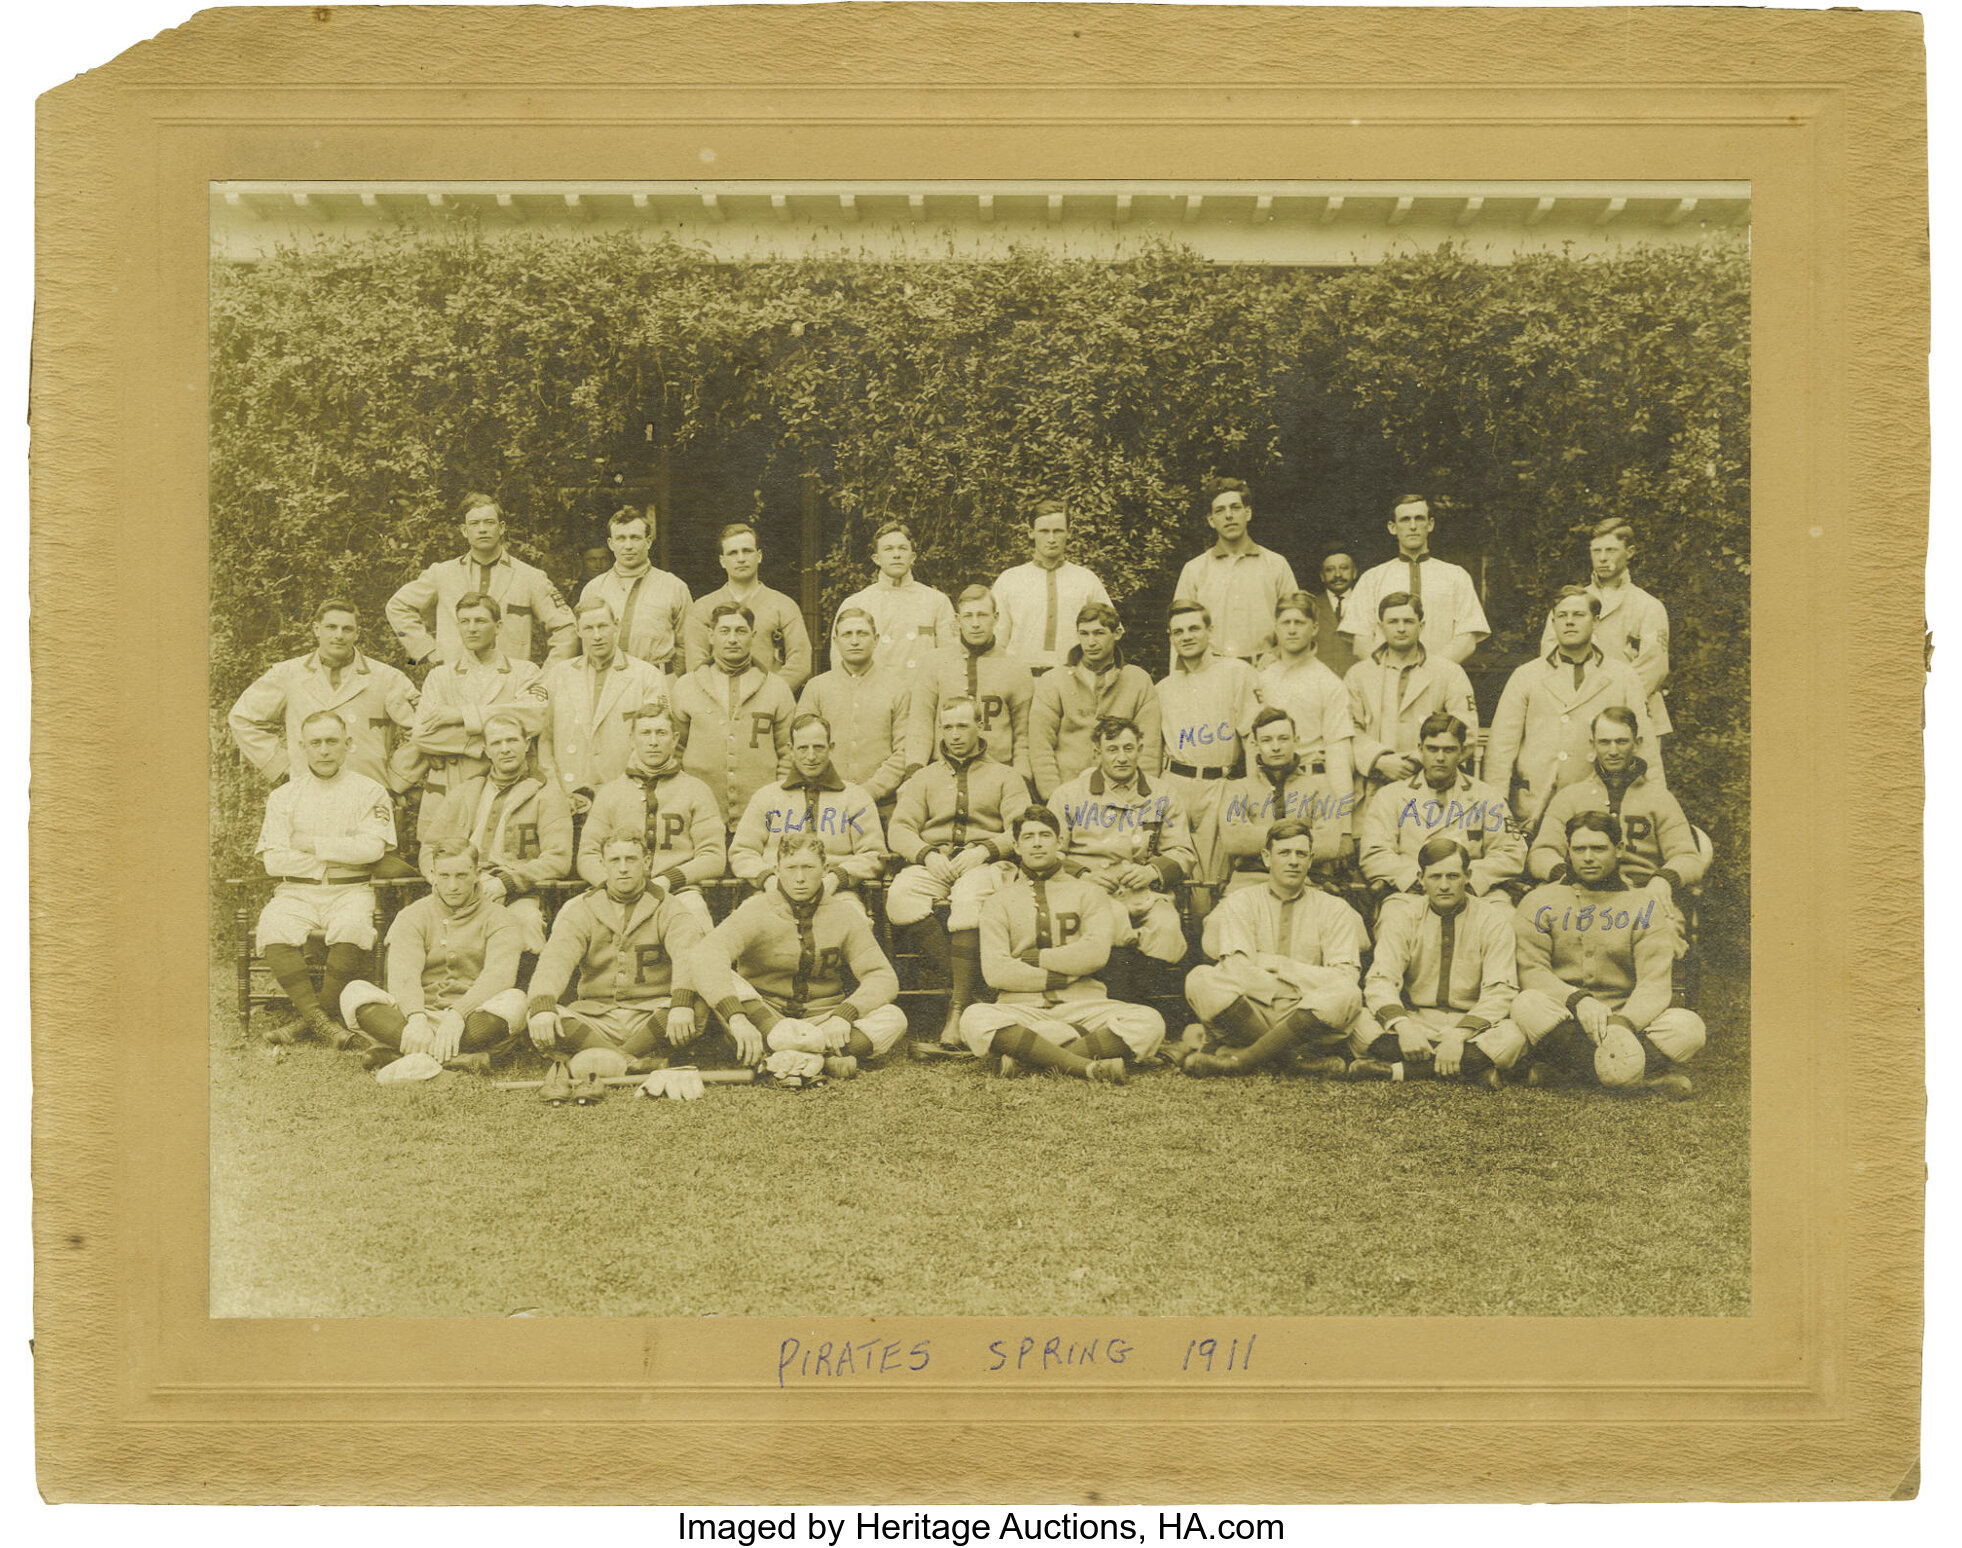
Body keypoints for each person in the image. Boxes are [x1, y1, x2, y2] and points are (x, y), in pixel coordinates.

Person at [958, 809, 1165, 1082]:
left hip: (1084, 1005)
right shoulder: (998, 902)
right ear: (1017, 847)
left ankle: (1031, 1059)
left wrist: (1034, 958)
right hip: (1022, 1009)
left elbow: (1094, 955)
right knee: (974, 1018)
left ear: (1059, 842)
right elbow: (997, 972)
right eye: (1028, 837)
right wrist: (1067, 971)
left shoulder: (1089, 893)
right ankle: (1084, 1067)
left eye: (1045, 835)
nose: (1037, 843)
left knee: (1149, 1022)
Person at [1510, 811, 1705, 1098]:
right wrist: (1577, 1000)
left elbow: (1654, 983)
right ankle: (1637, 1081)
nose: (1588, 857)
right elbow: (1531, 971)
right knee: (1527, 1004)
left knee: (1689, 1028)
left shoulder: (1643, 904)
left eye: (1599, 848)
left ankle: (1572, 1074)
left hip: (1628, 1021)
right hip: (1566, 1019)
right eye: (1579, 849)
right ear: (1568, 852)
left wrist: (1621, 1024)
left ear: (1619, 850)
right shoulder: (1539, 901)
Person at [691, 833, 910, 1078]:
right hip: (765, 1017)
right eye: (791, 868)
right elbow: (707, 954)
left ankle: (784, 1058)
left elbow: (881, 976)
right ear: (776, 870)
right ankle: (822, 1059)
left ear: (825, 869)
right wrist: (738, 1019)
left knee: (894, 1018)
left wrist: (845, 1014)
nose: (799, 878)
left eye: (808, 867)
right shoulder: (756, 910)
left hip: (824, 1020)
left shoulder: (844, 914)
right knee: (724, 978)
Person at [885, 695, 1033, 1048]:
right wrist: (926, 855)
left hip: (986, 864)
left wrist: (985, 850)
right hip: (937, 862)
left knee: (968, 899)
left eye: (963, 725)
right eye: (947, 726)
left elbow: (1022, 826)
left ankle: (956, 1008)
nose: (954, 735)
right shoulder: (924, 778)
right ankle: (968, 988)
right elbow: (899, 829)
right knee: (899, 896)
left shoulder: (1005, 776)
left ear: (980, 727)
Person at [524, 832, 711, 1102]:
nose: (623, 867)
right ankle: (634, 1062)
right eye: (615, 860)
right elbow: (555, 960)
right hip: (597, 1017)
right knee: (539, 1012)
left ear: (647, 862)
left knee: (695, 1005)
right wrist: (542, 1006)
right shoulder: (583, 908)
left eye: (631, 859)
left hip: (652, 1014)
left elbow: (688, 957)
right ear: (604, 864)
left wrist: (681, 1003)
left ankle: (608, 1059)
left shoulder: (670, 906)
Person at [1177, 819, 1370, 1079]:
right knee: (1200, 978)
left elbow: (1345, 976)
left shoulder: (1334, 908)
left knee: (1347, 993)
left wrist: (1280, 965)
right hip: (1251, 1008)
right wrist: (1297, 982)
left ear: (1311, 860)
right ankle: (1293, 1062)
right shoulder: (1241, 902)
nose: (1293, 861)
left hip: (1305, 1013)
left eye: (1301, 854)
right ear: (1267, 858)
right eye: (1284, 853)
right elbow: (1237, 970)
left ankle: (1242, 1059)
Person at [252, 711, 397, 1046]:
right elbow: (273, 861)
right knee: (273, 926)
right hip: (295, 891)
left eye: (332, 741)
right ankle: (322, 1021)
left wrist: (311, 844)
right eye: (315, 743)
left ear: (349, 744)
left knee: (353, 927)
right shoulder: (283, 797)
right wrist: (333, 857)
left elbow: (372, 849)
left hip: (351, 890)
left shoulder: (370, 791)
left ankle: (311, 1022)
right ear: (303, 748)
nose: (324, 750)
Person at [337, 839, 529, 1073]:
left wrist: (459, 1014)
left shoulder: (501, 918)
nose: (452, 885)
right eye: (445, 875)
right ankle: (457, 1059)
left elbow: (499, 977)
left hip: (472, 1018)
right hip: (414, 1017)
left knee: (516, 1001)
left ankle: (399, 1053)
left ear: (477, 874)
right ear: (433, 874)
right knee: (354, 992)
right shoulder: (413, 915)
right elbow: (404, 975)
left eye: (461, 875)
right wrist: (416, 1018)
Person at [1348, 837, 1525, 1087]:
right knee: (1359, 1025)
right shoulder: (1404, 917)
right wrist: (1404, 1027)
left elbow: (1500, 991)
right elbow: (1381, 980)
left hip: (1471, 1025)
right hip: (1418, 1020)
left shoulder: (1493, 920)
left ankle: (1398, 1072)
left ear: (1468, 876)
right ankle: (1470, 1069)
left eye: (1452, 876)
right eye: (1435, 877)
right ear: (1421, 878)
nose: (1444, 885)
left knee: (1512, 1038)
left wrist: (1458, 1036)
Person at [1528, 706, 1706, 943]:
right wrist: (1567, 875)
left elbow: (1688, 857)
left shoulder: (1659, 798)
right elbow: (1542, 852)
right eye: (1604, 742)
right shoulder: (1570, 797)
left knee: (1663, 934)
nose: (1613, 751)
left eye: (1621, 742)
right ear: (1592, 745)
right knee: (1535, 925)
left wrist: (1663, 879)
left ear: (1637, 742)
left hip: (1642, 894)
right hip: (1578, 893)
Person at [1486, 585, 1659, 826]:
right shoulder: (1526, 675)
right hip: (1535, 804)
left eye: (1578, 615)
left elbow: (1646, 745)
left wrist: (1656, 803)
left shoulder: (1622, 676)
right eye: (1562, 616)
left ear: (1596, 622)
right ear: (1553, 622)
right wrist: (1496, 808)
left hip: (1600, 803)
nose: (1569, 622)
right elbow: (1501, 747)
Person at [228, 598, 423, 796]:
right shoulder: (288, 674)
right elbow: (243, 718)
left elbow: (424, 729)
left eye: (347, 629)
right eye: (331, 627)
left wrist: (396, 779)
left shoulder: (387, 677)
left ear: (357, 634)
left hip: (368, 791)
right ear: (316, 629)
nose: (339, 635)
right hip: (306, 790)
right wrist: (283, 766)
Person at [418, 710, 572, 956]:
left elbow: (558, 859)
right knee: (416, 924)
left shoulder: (547, 794)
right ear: (486, 750)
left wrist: (506, 883)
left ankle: (521, 993)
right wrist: (441, 880)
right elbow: (430, 847)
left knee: (526, 922)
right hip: (460, 887)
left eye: (512, 740)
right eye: (497, 743)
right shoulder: (465, 791)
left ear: (527, 744)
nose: (505, 749)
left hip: (517, 892)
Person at [1047, 716, 1195, 971]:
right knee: (1112, 920)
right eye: (1112, 749)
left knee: (1167, 926)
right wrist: (1083, 875)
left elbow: (1182, 851)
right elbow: (1051, 853)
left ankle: (1147, 997)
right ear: (1097, 753)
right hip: (1087, 892)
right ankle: (1120, 994)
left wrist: (1152, 871)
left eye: (1128, 748)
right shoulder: (1068, 795)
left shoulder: (1163, 794)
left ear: (1140, 749)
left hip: (1144, 892)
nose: (1122, 758)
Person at [408, 592, 552, 827]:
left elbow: (535, 717)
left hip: (511, 789)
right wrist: (488, 744)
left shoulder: (525, 672)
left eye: (480, 621)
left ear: (498, 626)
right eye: (465, 621)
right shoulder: (440, 677)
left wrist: (462, 715)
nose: (472, 628)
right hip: (452, 786)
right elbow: (422, 734)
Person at [386, 492, 577, 666]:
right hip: (454, 682)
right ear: (463, 530)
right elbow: (397, 606)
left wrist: (549, 677)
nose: (482, 529)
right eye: (475, 524)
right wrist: (427, 650)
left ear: (501, 527)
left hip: (508, 686)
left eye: (489, 522)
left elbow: (565, 627)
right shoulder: (442, 574)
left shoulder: (529, 577)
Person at [577, 705, 728, 918]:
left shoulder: (696, 790)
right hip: (613, 891)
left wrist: (668, 879)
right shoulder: (610, 793)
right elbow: (588, 854)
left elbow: (713, 857)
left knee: (695, 915)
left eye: (661, 733)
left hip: (678, 892)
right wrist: (610, 883)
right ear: (632, 739)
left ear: (675, 739)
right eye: (645, 733)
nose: (653, 742)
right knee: (573, 913)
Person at [1359, 712, 1524, 904]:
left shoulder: (1487, 796)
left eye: (1449, 750)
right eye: (1432, 749)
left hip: (1473, 894)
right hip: (1413, 893)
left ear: (1462, 752)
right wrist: (1419, 879)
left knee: (1502, 916)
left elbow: (1511, 851)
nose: (1440, 757)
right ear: (1420, 749)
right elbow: (1375, 853)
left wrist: (1468, 879)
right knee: (1393, 918)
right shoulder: (1390, 796)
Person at [1155, 599, 1261, 892]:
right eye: (1178, 632)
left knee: (1212, 879)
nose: (1186, 636)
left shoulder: (1237, 673)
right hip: (1174, 784)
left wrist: (1253, 793)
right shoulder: (1164, 687)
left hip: (1219, 785)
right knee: (1176, 870)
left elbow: (1252, 740)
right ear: (1171, 637)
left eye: (1193, 628)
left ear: (1209, 631)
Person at [1345, 592, 1479, 820]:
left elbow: (1466, 731)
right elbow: (1347, 730)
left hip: (1433, 787)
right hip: (1373, 786)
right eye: (1393, 621)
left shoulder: (1449, 673)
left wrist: (1418, 760)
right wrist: (1380, 760)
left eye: (1408, 621)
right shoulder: (1358, 674)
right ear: (1380, 626)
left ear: (1421, 625)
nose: (1400, 628)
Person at [728, 713, 887, 902]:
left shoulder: (855, 797)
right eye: (803, 748)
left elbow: (873, 854)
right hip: (774, 892)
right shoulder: (767, 797)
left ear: (831, 747)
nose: (811, 756)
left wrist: (837, 878)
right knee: (747, 923)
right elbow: (742, 852)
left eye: (818, 747)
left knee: (855, 923)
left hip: (837, 894)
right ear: (791, 750)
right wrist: (768, 879)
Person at [1538, 517, 1672, 738]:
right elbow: (1550, 656)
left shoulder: (1648, 606)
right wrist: (1579, 702)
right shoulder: (1569, 604)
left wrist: (1608, 704)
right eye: (1596, 550)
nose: (1602, 558)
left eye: (1610, 550)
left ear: (1629, 552)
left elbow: (1653, 667)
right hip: (1576, 713)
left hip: (1634, 715)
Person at [668, 601, 797, 827]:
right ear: (710, 635)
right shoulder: (686, 686)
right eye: (724, 631)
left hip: (761, 814)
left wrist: (780, 799)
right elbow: (674, 751)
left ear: (753, 635)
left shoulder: (776, 688)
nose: (733, 639)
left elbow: (788, 752)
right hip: (699, 815)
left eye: (741, 631)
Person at [537, 596, 668, 812]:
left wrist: (631, 789)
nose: (596, 636)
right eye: (588, 628)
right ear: (578, 631)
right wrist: (554, 787)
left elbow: (656, 741)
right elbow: (545, 739)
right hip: (567, 798)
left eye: (602, 626)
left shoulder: (647, 676)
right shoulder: (558, 675)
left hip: (626, 798)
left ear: (615, 626)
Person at [1027, 602, 1161, 801]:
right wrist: (1054, 796)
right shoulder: (1054, 680)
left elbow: (1148, 747)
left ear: (1117, 633)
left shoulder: (1138, 680)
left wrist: (1139, 796)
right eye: (1084, 633)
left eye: (1099, 633)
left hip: (1123, 795)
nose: (1091, 642)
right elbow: (1040, 746)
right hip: (1068, 791)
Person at [1338, 495, 1489, 663]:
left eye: (1419, 518)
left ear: (1430, 524)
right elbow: (1361, 640)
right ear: (1392, 527)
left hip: (1440, 679)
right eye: (1404, 520)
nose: (1412, 526)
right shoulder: (1372, 578)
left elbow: (1467, 638)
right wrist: (1389, 670)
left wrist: (1432, 670)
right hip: (1386, 679)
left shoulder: (1456, 576)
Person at [905, 585, 1033, 779]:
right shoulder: (934, 662)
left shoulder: (1017, 668)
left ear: (996, 618)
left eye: (982, 615)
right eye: (968, 616)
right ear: (958, 620)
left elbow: (1023, 735)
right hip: (943, 772)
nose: (975, 624)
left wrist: (1023, 778)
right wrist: (914, 771)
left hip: (998, 773)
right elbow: (920, 725)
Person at [1216, 707, 1350, 888]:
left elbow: (1328, 844)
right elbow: (1233, 840)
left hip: (1306, 883)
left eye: (1283, 738)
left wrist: (1259, 839)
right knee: (1221, 917)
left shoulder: (1320, 788)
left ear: (1297, 741)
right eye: (1266, 740)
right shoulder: (1239, 789)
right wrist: (1300, 838)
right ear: (1255, 744)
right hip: (1249, 883)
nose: (1276, 747)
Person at [797, 606, 915, 812]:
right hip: (825, 800)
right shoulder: (816, 687)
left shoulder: (897, 688)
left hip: (882, 804)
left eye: (862, 634)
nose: (854, 641)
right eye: (847, 634)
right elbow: (803, 745)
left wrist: (871, 790)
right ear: (836, 642)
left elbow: (903, 750)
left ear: (876, 639)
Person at [1171, 479, 1300, 662]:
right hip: (1212, 671)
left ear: (1247, 513)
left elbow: (1295, 621)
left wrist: (1277, 655)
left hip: (1265, 669)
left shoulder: (1276, 564)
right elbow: (1179, 628)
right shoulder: (1195, 570)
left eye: (1235, 507)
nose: (1229, 515)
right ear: (1211, 520)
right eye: (1220, 510)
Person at [681, 522, 814, 691]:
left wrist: (770, 693)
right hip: (717, 703)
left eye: (747, 551)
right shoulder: (702, 607)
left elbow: (800, 661)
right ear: (722, 561)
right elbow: (697, 663)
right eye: (733, 553)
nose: (741, 558)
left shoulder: (784, 605)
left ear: (759, 556)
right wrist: (722, 696)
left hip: (769, 703)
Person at [989, 495, 1113, 671]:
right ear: (1031, 532)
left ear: (1069, 532)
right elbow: (996, 641)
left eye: (1058, 531)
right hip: (1021, 679)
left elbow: (1107, 634)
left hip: (1072, 679)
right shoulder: (1009, 580)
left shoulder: (1086, 580)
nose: (1052, 538)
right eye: (1044, 531)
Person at [1256, 590, 1355, 796]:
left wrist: (1343, 819)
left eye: (1299, 623)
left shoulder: (1328, 682)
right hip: (1268, 785)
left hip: (1313, 785)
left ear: (1315, 628)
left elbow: (1338, 752)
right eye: (1286, 623)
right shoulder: (1261, 678)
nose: (1292, 630)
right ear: (1276, 627)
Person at [831, 520, 957, 680]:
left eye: (902, 548)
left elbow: (951, 658)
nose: (896, 554)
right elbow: (839, 663)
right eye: (888, 549)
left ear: (912, 557)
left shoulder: (937, 601)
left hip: (922, 696)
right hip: (874, 696)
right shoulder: (856, 603)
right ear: (876, 559)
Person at [578, 505, 692, 674]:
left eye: (635, 538)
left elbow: (687, 644)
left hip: (659, 681)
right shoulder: (594, 589)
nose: (628, 545)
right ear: (611, 543)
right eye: (621, 538)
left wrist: (672, 680)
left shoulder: (674, 587)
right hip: (609, 682)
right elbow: (586, 643)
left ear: (648, 541)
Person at [1315, 551, 1359, 676]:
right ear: (1322, 576)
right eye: (1330, 570)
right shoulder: (1311, 606)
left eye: (1344, 568)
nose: (1338, 574)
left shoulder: (1365, 603)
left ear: (1354, 572)